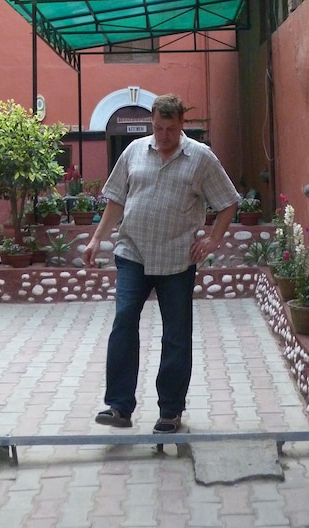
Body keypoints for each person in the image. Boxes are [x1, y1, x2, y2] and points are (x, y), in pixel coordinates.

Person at [83, 93, 239, 433]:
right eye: (157, 128)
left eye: (170, 129)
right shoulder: (134, 151)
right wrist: (96, 239)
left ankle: (170, 411)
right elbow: (116, 200)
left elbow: (228, 201)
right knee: (124, 322)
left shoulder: (201, 158)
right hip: (133, 253)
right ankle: (118, 407)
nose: (163, 136)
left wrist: (213, 239)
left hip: (177, 259)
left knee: (176, 334)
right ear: (151, 123)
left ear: (182, 123)